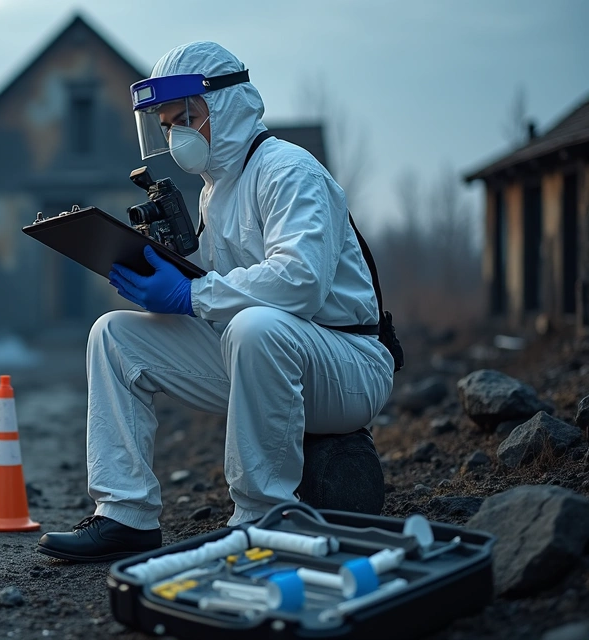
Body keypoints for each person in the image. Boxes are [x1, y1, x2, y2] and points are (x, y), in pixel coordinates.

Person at [36, 41, 395, 563]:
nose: (176, 133)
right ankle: (125, 516)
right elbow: (228, 291)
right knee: (114, 335)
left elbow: (300, 283)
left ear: (226, 105)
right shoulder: (216, 189)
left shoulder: (288, 171)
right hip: (265, 360)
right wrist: (167, 271)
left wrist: (192, 293)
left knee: (257, 327)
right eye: (166, 123)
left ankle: (262, 518)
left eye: (186, 117)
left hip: (348, 365)